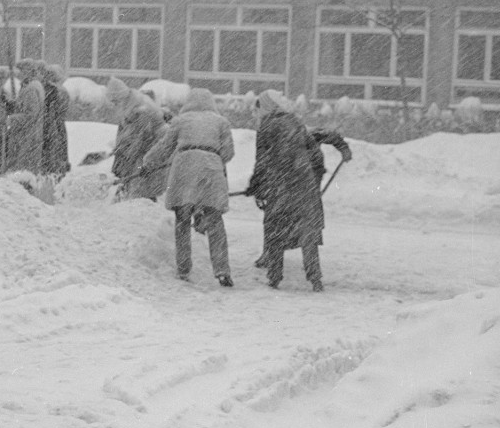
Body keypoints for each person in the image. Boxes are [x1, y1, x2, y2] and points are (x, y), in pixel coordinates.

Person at [143, 88, 236, 287]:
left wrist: (147, 163)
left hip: (184, 167)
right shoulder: (221, 122)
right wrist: (212, 156)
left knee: (182, 220)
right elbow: (228, 152)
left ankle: (184, 269)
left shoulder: (180, 121)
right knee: (214, 221)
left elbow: (164, 147)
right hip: (211, 168)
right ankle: (222, 270)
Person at [245, 89, 325, 292]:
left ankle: (274, 277)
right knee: (308, 233)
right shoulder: (295, 123)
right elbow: (315, 154)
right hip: (303, 184)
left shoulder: (267, 126)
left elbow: (262, 160)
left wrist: (256, 186)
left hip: (280, 185)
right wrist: (314, 177)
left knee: (275, 229)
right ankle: (315, 278)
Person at [254, 127, 352, 268]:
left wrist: (344, 149)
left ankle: (277, 254)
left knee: (283, 215)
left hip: (309, 174)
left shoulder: (304, 134)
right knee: (284, 215)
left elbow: (330, 134)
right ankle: (273, 252)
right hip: (296, 176)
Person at [106, 77, 166, 201]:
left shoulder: (141, 109)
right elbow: (128, 134)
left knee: (141, 175)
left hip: (154, 146)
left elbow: (140, 139)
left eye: (116, 101)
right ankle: (132, 198)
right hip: (147, 144)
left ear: (121, 97)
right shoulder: (130, 106)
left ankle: (144, 201)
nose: (115, 105)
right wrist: (120, 149)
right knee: (137, 175)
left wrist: (127, 156)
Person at [6, 58, 44, 174]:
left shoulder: (31, 89)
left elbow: (31, 114)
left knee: (23, 169)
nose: (19, 73)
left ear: (29, 71)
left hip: (27, 135)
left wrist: (11, 118)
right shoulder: (32, 86)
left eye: (22, 70)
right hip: (31, 134)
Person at [41, 63, 71, 179]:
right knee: (59, 152)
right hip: (58, 125)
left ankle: (54, 175)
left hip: (53, 126)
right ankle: (59, 172)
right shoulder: (63, 91)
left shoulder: (54, 91)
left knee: (53, 152)